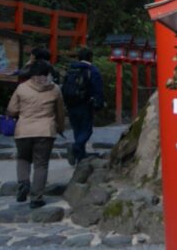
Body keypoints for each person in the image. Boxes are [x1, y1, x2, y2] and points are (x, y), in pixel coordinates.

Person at [6, 59, 65, 208]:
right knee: (41, 164)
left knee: (23, 158)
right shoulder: (55, 89)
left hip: (23, 130)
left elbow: (12, 110)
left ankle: (24, 182)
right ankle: (36, 197)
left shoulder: (21, 88)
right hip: (46, 131)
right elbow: (60, 112)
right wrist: (60, 127)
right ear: (47, 74)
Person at [62, 47, 104, 165]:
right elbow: (98, 89)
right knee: (86, 130)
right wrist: (99, 104)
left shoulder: (71, 69)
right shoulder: (92, 70)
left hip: (71, 104)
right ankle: (76, 148)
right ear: (90, 57)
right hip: (85, 104)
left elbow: (64, 86)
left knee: (77, 130)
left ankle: (81, 157)